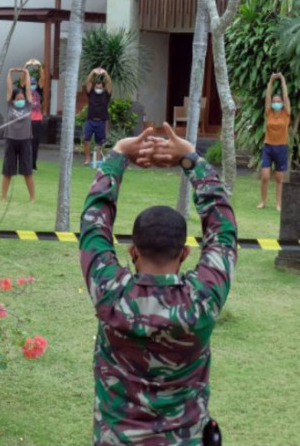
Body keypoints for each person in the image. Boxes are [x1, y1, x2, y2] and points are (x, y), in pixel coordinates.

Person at [79, 123, 237, 444]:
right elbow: (222, 228)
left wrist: (118, 156)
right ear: (185, 253)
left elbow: (94, 223)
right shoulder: (202, 299)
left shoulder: (110, 293)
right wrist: (190, 159)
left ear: (133, 251)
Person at [258, 72, 293, 210]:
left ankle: (278, 204)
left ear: (282, 103)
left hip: (281, 148)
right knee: (265, 176)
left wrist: (282, 79)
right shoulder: (269, 113)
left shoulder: (286, 113)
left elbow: (286, 96)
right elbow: (267, 96)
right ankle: (263, 201)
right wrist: (271, 81)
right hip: (268, 147)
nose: (276, 103)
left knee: (279, 178)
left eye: (278, 102)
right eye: (274, 101)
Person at [1, 67, 35, 202]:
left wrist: (26, 73)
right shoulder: (10, 105)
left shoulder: (28, 105)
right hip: (11, 140)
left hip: (25, 141)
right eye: (18, 98)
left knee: (27, 172)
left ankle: (32, 198)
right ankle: (3, 197)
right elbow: (9, 88)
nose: (21, 100)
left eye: (22, 98)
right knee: (7, 171)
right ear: (14, 99)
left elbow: (28, 89)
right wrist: (9, 72)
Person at [83, 67, 113, 166]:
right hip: (90, 120)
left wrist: (105, 73)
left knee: (99, 143)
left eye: (100, 87)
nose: (98, 89)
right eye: (97, 87)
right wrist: (92, 72)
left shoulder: (106, 94)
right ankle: (87, 159)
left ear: (102, 87)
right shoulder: (91, 93)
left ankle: (98, 161)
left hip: (101, 121)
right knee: (86, 139)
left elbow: (109, 84)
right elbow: (87, 82)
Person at [28, 77, 43, 170]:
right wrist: (25, 67)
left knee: (34, 143)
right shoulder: (25, 93)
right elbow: (22, 81)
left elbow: (42, 79)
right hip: (27, 120)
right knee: (26, 142)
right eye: (30, 84)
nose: (32, 85)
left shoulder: (38, 91)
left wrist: (38, 66)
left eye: (33, 84)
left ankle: (33, 164)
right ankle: (26, 163)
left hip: (36, 120)